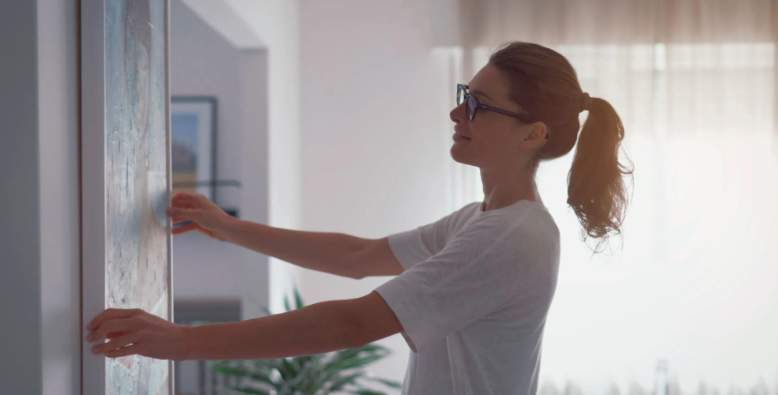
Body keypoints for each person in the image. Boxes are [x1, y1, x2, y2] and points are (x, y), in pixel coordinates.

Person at [86, 41, 634, 395]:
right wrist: (227, 227)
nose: (455, 112)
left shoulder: (514, 236)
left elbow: (356, 321)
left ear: (532, 134)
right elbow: (358, 257)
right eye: (465, 94)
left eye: (477, 105)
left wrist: (185, 343)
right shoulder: (480, 220)